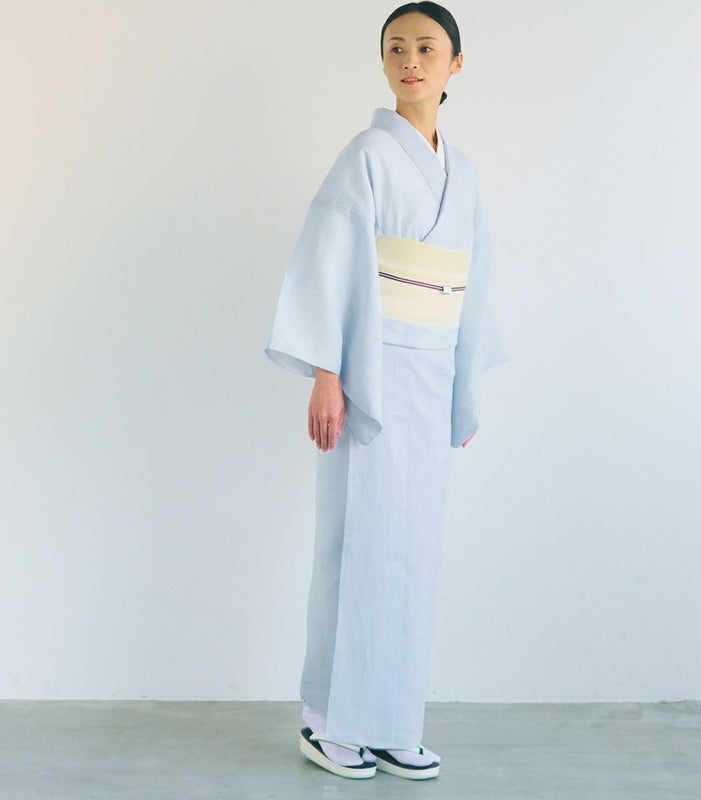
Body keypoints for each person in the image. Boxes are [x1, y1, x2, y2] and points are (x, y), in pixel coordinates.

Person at [265, 1, 506, 781]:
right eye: (396, 47)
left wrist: (463, 385)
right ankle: (327, 721)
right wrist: (326, 373)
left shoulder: (463, 173)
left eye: (427, 48)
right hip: (369, 372)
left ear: (455, 64)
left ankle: (394, 721)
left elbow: (472, 282)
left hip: (430, 376)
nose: (411, 61)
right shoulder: (367, 154)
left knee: (412, 554)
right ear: (383, 63)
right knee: (356, 546)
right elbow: (329, 258)